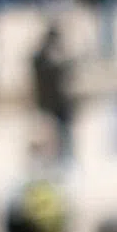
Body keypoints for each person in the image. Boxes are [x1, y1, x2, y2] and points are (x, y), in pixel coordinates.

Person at [32, 24, 75, 160]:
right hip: (50, 104)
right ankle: (48, 158)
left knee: (58, 135)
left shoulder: (48, 57)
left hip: (53, 104)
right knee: (49, 134)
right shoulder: (43, 58)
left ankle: (57, 157)